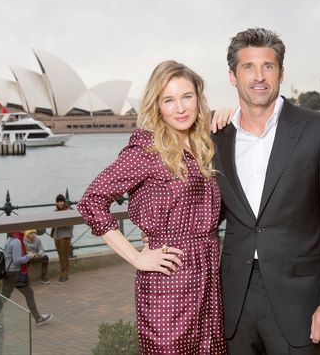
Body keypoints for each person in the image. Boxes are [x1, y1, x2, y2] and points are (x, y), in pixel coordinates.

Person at [213, 28, 320, 354]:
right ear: (232, 76)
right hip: (234, 300)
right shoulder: (217, 137)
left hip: (302, 301)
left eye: (268, 66)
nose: (259, 76)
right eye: (248, 67)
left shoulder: (319, 129)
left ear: (280, 72)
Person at [77, 60, 227, 354]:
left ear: (198, 97)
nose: (180, 108)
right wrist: (136, 257)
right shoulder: (146, 149)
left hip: (208, 277)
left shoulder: (205, 144)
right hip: (167, 282)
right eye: (168, 100)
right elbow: (91, 202)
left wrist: (228, 115)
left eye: (186, 96)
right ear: (156, 106)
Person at [0, 232, 53, 330]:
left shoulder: (10, 240)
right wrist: (29, 256)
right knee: (29, 293)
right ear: (17, 230)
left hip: (8, 273)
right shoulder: (17, 242)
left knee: (3, 297)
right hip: (15, 274)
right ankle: (38, 318)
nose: (24, 230)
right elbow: (17, 260)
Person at [51, 194, 73, 282]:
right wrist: (52, 233)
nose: (60, 203)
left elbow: (70, 224)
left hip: (65, 235)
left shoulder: (69, 210)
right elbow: (53, 224)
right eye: (58, 201)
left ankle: (66, 273)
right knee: (60, 256)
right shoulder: (56, 211)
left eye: (61, 201)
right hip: (57, 236)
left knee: (65, 256)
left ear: (64, 202)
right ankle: (62, 272)